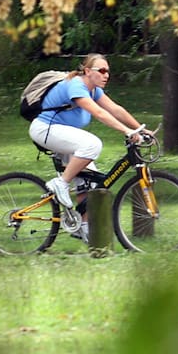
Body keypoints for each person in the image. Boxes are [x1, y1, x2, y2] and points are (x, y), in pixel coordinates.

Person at [29, 53, 148, 242]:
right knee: (92, 145)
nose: (106, 75)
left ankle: (83, 229)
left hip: (63, 135)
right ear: (87, 71)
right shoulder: (76, 85)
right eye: (101, 71)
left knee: (92, 185)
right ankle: (60, 183)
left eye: (107, 71)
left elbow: (115, 109)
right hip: (45, 129)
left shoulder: (94, 91)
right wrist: (126, 131)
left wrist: (140, 129)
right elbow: (99, 113)